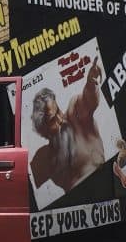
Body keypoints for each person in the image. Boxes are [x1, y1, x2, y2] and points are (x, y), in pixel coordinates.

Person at [29, 60, 105, 192]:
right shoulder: (43, 157)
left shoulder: (74, 114)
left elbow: (88, 100)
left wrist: (91, 83)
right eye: (53, 120)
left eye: (58, 111)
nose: (60, 119)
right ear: (44, 129)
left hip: (104, 182)